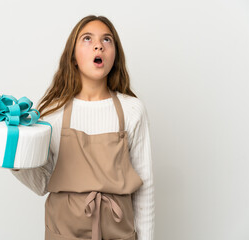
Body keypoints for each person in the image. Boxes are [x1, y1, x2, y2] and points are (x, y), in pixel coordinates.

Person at [10, 15, 155, 240]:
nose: (98, 45)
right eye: (87, 39)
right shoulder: (52, 113)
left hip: (119, 233)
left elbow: (145, 187)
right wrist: (13, 155)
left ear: (115, 56)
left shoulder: (132, 110)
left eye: (107, 40)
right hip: (63, 233)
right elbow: (41, 183)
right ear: (73, 57)